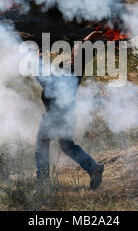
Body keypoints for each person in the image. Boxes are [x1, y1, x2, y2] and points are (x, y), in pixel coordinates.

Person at [35, 31, 104, 190]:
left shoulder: (72, 68)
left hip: (55, 114)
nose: (74, 48)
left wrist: (38, 60)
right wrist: (90, 38)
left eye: (77, 48)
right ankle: (93, 168)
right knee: (67, 146)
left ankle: (43, 182)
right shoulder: (73, 66)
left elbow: (45, 80)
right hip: (66, 114)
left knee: (42, 143)